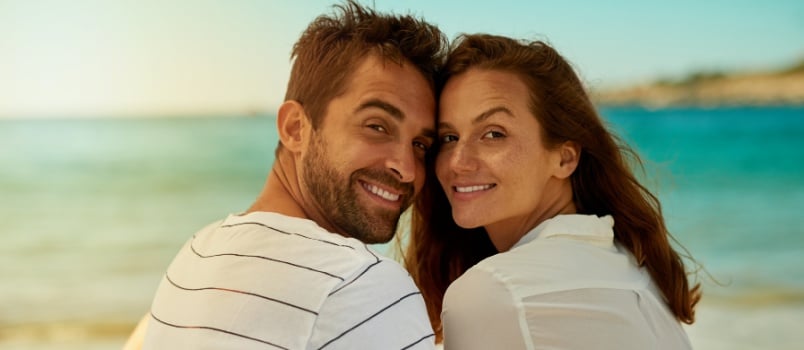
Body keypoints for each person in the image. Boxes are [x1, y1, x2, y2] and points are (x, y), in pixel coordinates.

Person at [125, 1, 447, 349]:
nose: (408, 167)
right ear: (295, 128)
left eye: (420, 145)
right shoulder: (362, 285)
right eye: (376, 126)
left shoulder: (197, 253)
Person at [405, 34, 701, 349]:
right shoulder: (631, 267)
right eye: (449, 137)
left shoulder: (494, 292)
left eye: (493, 134)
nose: (458, 162)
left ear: (565, 157)